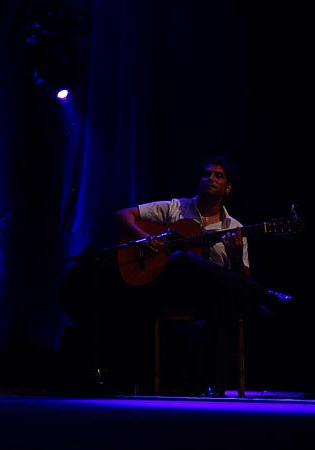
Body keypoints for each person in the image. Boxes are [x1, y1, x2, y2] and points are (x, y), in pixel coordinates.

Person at [111, 154, 290, 396]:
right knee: (181, 258)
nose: (211, 178)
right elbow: (123, 215)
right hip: (168, 288)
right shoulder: (176, 208)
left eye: (218, 175)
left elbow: (242, 278)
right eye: (207, 174)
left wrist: (235, 257)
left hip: (209, 295)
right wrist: (145, 239)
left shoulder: (235, 228)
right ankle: (263, 295)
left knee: (225, 301)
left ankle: (215, 386)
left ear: (228, 188)